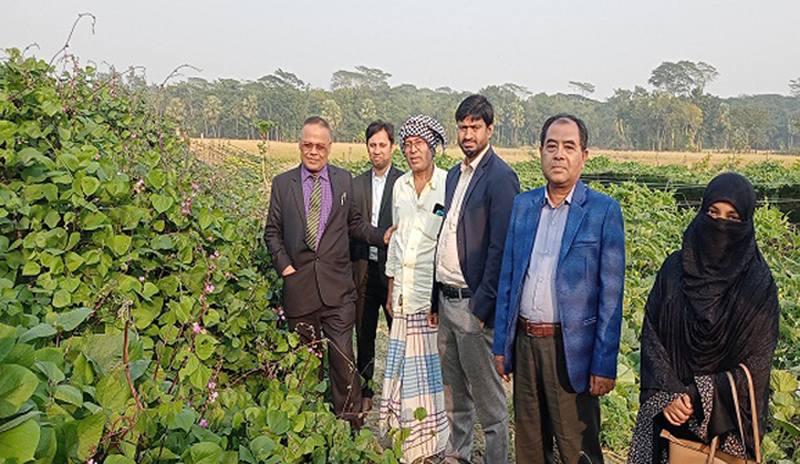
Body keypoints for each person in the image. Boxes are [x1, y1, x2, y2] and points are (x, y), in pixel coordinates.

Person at [493, 114, 626, 464]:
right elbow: (509, 278)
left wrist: (604, 363)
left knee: (575, 447)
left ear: (584, 155)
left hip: (571, 351)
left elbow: (611, 296)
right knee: (529, 443)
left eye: (569, 147)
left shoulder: (602, 211)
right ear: (540, 152)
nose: (559, 154)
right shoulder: (524, 206)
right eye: (551, 146)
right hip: (525, 344)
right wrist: (501, 346)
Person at [627, 172, 779, 464]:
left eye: (732, 218)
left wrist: (699, 397)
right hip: (669, 416)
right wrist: (668, 392)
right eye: (712, 212)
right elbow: (652, 334)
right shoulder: (674, 269)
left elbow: (756, 365)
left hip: (727, 431)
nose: (720, 224)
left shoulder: (757, 287)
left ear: (746, 223)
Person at [264, 116, 393, 429]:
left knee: (343, 362)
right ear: (300, 145)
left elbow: (354, 225)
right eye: (307, 145)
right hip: (300, 289)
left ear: (329, 148)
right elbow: (272, 233)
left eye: (320, 146)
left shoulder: (343, 180)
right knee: (307, 364)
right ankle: (308, 428)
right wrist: (287, 269)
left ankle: (349, 430)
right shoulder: (283, 184)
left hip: (337, 290)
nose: (313, 151)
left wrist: (382, 235)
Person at [434, 94, 520, 464]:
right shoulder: (455, 174)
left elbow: (502, 249)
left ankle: (498, 460)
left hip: (473, 305)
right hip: (446, 299)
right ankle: (458, 457)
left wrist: (484, 306)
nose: (467, 134)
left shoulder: (501, 178)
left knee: (489, 401)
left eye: (475, 127)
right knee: (454, 394)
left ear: (490, 128)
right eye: (463, 127)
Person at [381, 115, 450, 463]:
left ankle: (431, 446)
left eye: (418, 144)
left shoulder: (447, 184)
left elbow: (449, 244)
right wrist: (392, 286)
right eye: (407, 145)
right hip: (404, 296)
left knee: (429, 374)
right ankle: (404, 441)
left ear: (433, 146)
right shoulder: (400, 186)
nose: (412, 151)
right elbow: (396, 240)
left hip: (430, 298)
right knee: (402, 372)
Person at [350, 120, 404, 412]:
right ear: (367, 147)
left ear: (392, 147)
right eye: (372, 145)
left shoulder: (403, 182)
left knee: (398, 332)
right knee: (364, 331)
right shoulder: (355, 183)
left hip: (390, 270)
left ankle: (399, 392)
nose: (377, 151)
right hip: (361, 268)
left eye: (383, 145)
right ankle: (366, 389)